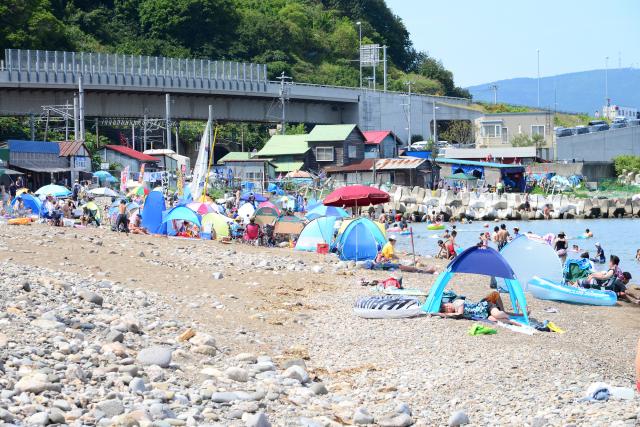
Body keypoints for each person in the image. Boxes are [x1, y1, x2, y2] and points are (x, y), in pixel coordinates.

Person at [436, 291, 524, 326]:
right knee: (493, 319)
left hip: (486, 306)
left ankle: (511, 316)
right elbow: (455, 315)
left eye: (446, 305)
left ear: (448, 302)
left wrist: (445, 314)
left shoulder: (457, 302)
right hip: (485, 315)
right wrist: (443, 314)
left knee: (497, 314)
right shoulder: (454, 311)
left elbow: (459, 314)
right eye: (445, 309)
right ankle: (511, 321)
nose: (447, 307)